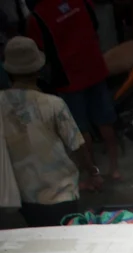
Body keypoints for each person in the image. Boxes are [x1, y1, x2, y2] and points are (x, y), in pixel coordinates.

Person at [0, 36, 102, 226]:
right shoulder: (53, 104)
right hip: (59, 194)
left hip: (23, 197)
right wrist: (92, 172)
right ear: (38, 70)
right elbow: (77, 144)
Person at [26, 0, 119, 181]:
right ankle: (115, 169)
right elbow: (94, 23)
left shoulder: (37, 16)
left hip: (69, 79)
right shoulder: (80, 1)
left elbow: (39, 50)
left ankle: (93, 176)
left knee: (79, 130)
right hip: (94, 69)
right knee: (105, 122)